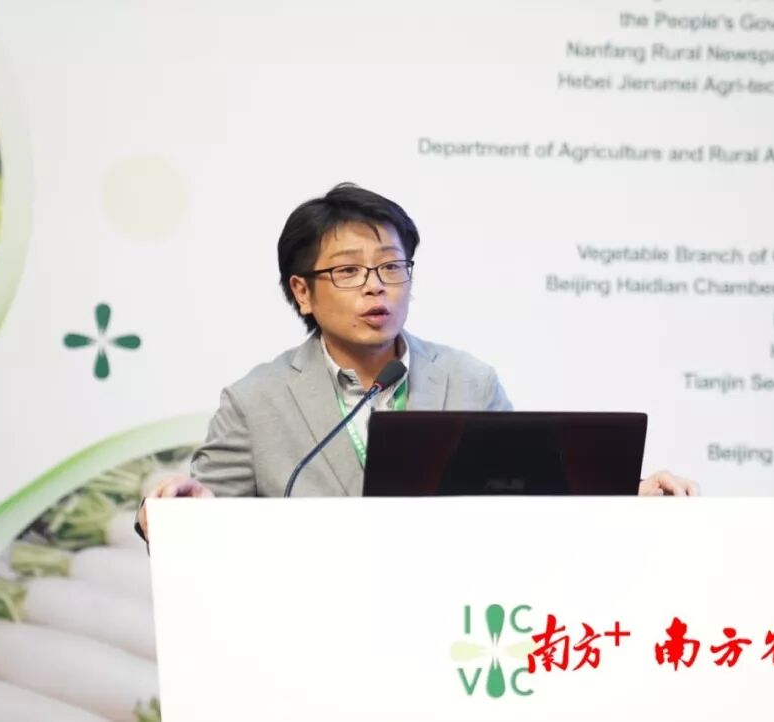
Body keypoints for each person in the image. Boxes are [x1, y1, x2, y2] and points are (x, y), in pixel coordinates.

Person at [135, 183, 698, 541]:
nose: (375, 287)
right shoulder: (255, 401)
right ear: (302, 292)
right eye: (348, 271)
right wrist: (169, 510)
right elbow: (199, 521)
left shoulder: (469, 381)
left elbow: (530, 501)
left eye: (391, 267)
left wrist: (628, 496)